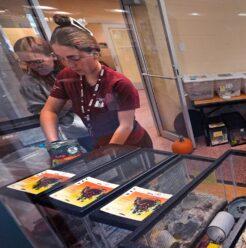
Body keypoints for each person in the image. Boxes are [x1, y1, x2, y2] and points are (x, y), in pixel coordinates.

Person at [40, 15, 152, 151]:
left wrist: (108, 152)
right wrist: (55, 144)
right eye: (61, 59)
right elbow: (49, 111)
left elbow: (125, 126)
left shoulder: (118, 83)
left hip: (130, 142)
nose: (69, 65)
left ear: (95, 53)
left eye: (74, 58)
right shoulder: (66, 76)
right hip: (99, 141)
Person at [13, 36, 87, 140]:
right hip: (77, 131)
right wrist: (67, 102)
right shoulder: (29, 82)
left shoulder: (73, 65)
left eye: (38, 61)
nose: (33, 66)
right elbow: (43, 117)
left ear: (52, 56)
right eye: (27, 62)